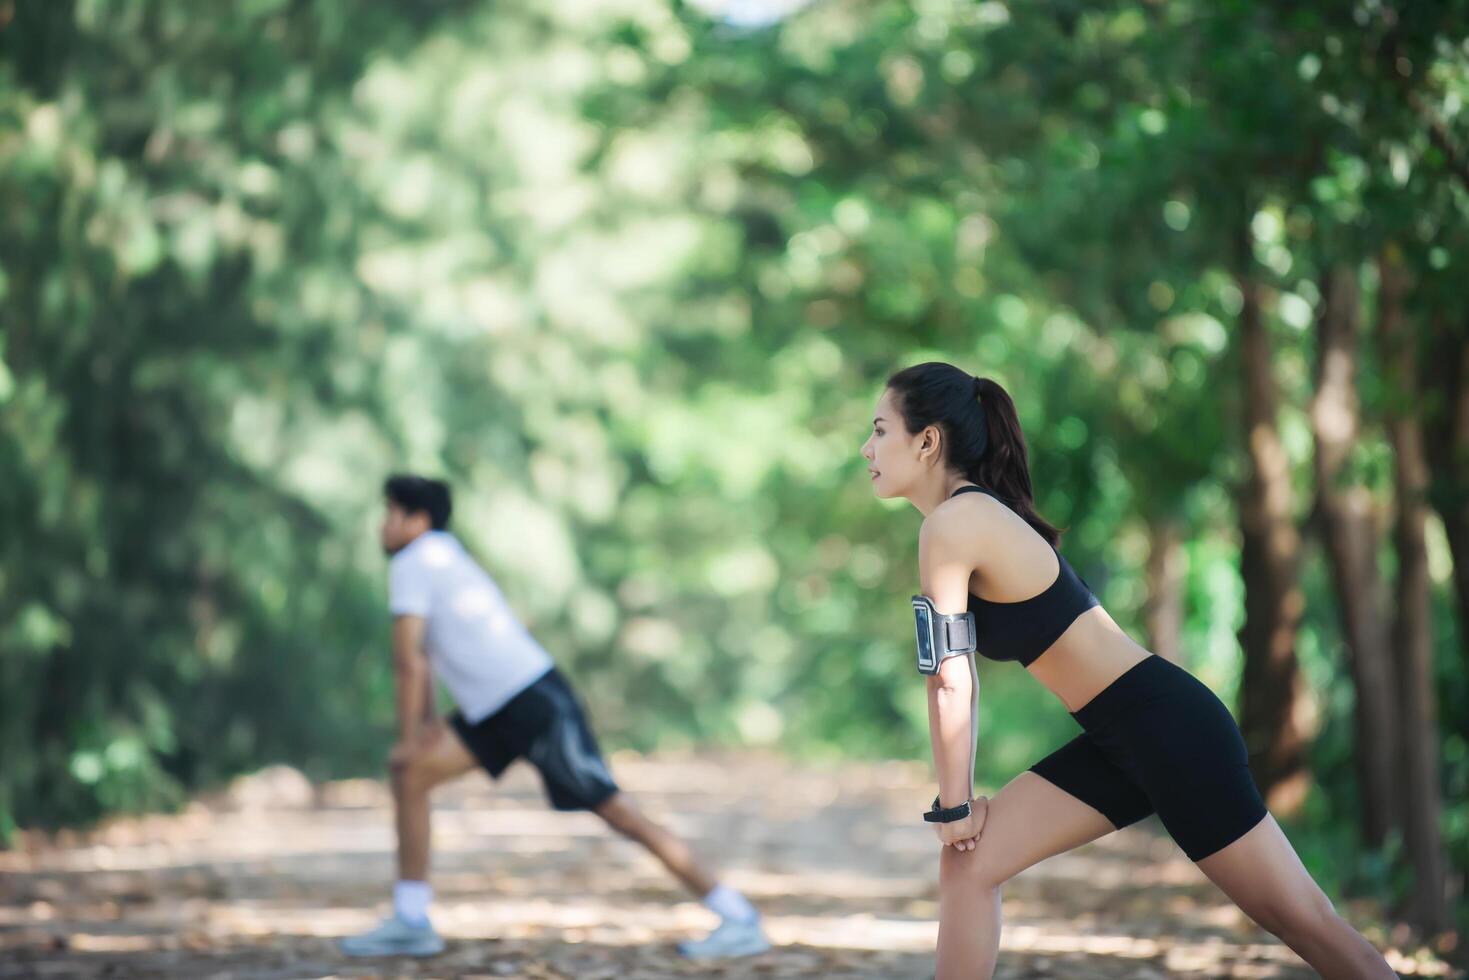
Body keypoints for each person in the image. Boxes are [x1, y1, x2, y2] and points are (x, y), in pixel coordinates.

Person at [860, 363, 1395, 980]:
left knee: (1308, 924)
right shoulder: (964, 520)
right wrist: (957, 814)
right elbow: (954, 675)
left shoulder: (952, 525)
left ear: (927, 441)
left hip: (1170, 731)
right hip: (1120, 738)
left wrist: (954, 808)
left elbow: (950, 679)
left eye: (879, 430)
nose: (867, 449)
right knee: (970, 865)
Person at [339, 474, 769, 960]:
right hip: (498, 706)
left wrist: (408, 735)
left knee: (618, 812)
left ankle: (738, 916)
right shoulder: (442, 555)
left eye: (391, 513)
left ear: (417, 521)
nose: (383, 525)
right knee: (410, 774)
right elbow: (432, 656)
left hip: (532, 705)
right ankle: (411, 919)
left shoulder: (415, 560)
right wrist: (429, 727)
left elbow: (408, 660)